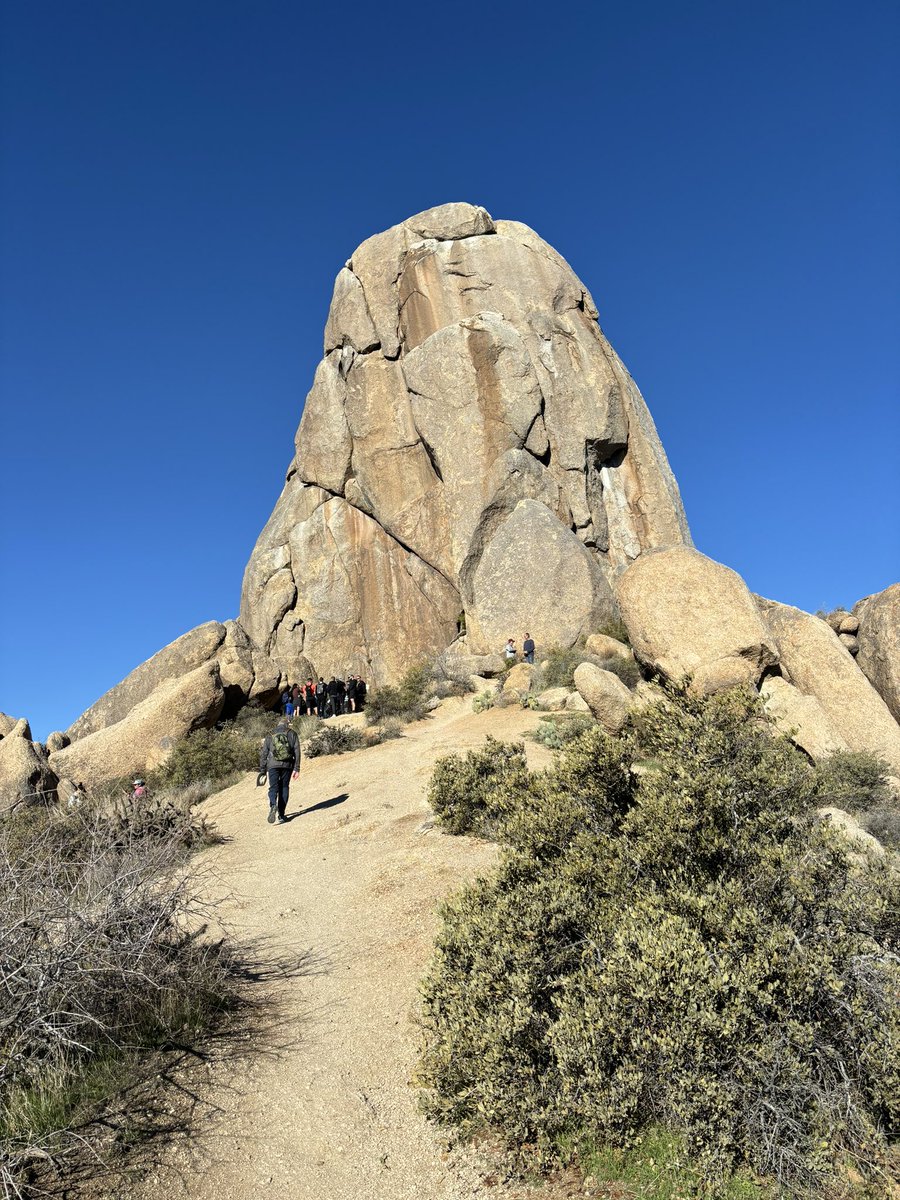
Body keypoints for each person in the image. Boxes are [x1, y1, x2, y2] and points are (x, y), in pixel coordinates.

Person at [259, 717, 300, 824]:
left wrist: (263, 770)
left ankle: (273, 805)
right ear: (287, 724)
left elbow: (264, 753)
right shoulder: (292, 733)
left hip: (272, 765)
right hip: (287, 764)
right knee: (284, 787)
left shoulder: (270, 734)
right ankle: (281, 815)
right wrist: (297, 768)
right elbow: (297, 751)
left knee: (273, 787)